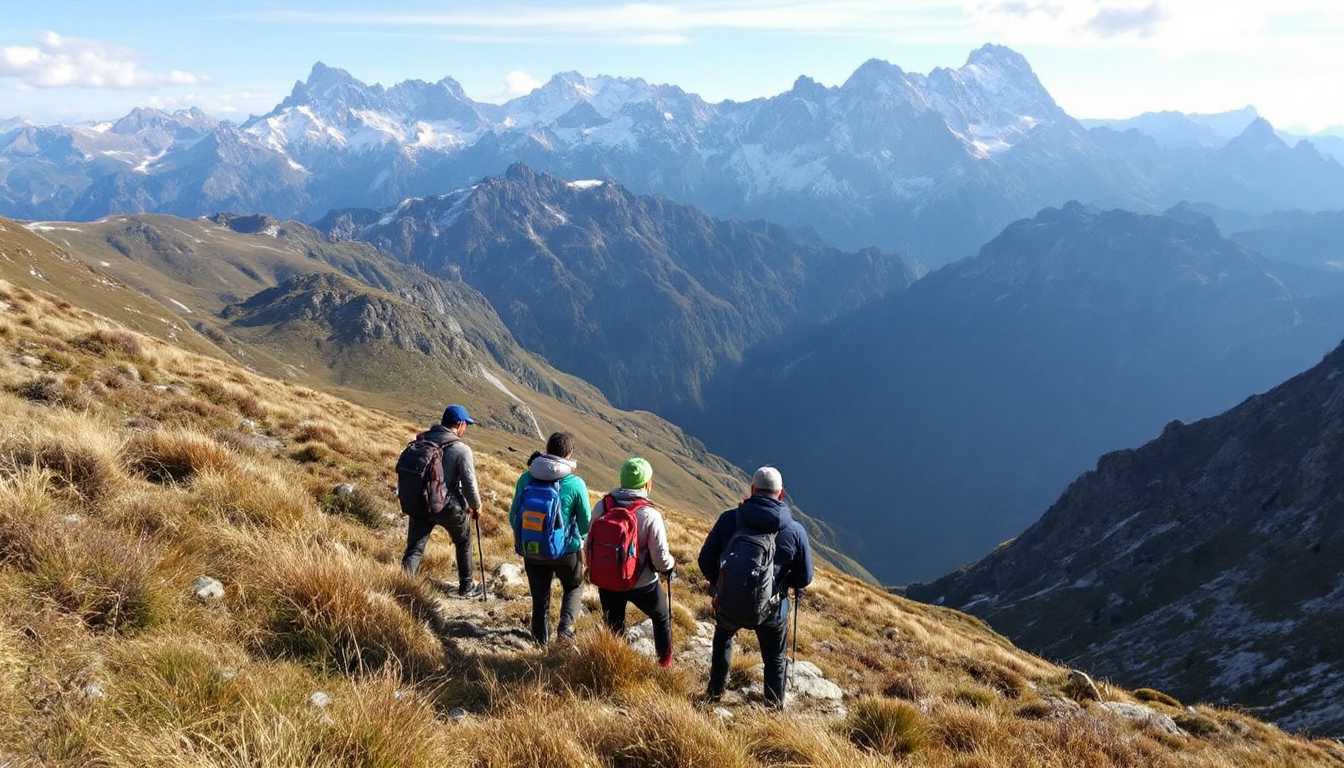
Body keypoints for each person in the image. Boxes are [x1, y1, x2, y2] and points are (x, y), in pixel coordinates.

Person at [698, 466, 813, 709]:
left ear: (752, 490)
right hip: (770, 610)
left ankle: (715, 692)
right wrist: (782, 583)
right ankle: (772, 708)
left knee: (723, 639)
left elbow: (705, 560)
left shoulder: (729, 519)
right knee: (775, 658)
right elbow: (804, 578)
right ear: (781, 494)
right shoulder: (795, 531)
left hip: (728, 601)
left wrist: (720, 585)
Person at [587, 457, 676, 667]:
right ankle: (665, 664)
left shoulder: (603, 505)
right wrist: (670, 565)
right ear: (646, 484)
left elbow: (589, 541)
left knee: (613, 623)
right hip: (642, 583)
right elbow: (661, 559)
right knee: (662, 616)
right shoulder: (650, 514)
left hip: (607, 579)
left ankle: (611, 663)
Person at [510, 432, 591, 645]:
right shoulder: (575, 484)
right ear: (569, 454)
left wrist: (527, 538)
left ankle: (539, 643)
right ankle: (565, 631)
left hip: (532, 548)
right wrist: (577, 539)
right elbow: (585, 524)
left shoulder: (526, 478)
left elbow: (513, 516)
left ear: (546, 449)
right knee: (573, 586)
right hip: (566, 551)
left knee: (540, 597)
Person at [400, 404, 483, 596]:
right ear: (460, 424)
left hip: (421, 501)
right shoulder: (461, 449)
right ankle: (467, 586)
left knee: (414, 549)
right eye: (466, 425)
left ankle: (402, 587)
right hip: (447, 505)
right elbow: (469, 484)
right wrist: (476, 506)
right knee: (463, 541)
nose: (466, 429)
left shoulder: (423, 440)